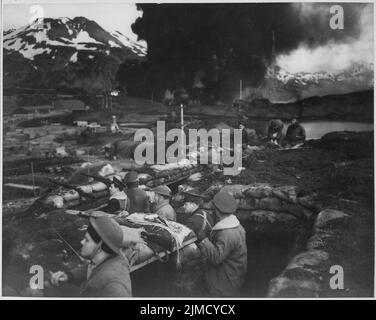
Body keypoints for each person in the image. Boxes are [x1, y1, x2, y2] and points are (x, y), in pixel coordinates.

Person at [50, 217, 132, 297]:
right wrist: (69, 276)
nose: (81, 242)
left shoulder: (114, 286)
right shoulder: (105, 257)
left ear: (100, 247)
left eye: (87, 240)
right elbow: (91, 267)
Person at [196, 191, 247, 297]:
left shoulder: (226, 233)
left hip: (224, 283)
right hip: (234, 274)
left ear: (217, 210)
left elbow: (216, 258)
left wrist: (204, 239)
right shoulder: (237, 227)